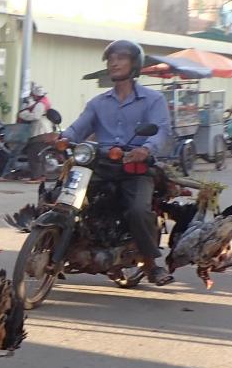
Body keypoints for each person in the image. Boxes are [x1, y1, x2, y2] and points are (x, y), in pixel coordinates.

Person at [63, 39, 174, 286]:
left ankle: (151, 263)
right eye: (111, 58)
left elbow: (162, 131)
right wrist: (62, 138)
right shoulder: (98, 103)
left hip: (136, 168)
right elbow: (79, 127)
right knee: (62, 198)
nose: (114, 62)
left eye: (121, 57)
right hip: (101, 165)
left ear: (135, 64)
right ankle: (56, 249)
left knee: (137, 210)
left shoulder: (153, 100)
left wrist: (145, 149)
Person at [13, 83, 55, 181]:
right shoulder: (45, 101)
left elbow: (35, 116)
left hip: (39, 131)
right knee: (41, 155)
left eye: (33, 94)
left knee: (34, 155)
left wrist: (23, 114)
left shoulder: (40, 104)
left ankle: (36, 177)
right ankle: (42, 176)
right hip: (45, 130)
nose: (32, 96)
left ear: (36, 94)